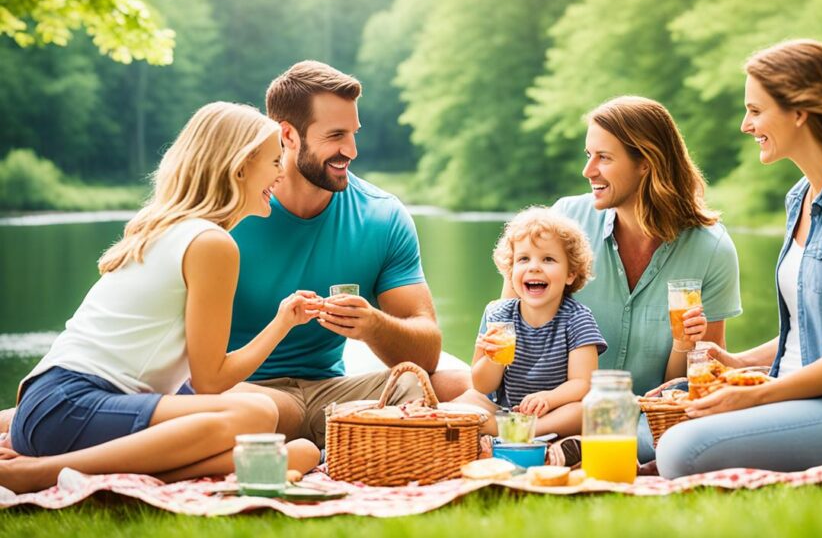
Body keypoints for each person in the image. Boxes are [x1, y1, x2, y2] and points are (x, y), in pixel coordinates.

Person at [0, 102, 322, 494]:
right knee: (256, 411)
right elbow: (210, 381)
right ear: (239, 167)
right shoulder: (210, 243)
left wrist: (284, 320)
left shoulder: (168, 229)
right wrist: (279, 328)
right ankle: (39, 474)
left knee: (298, 451)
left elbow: (187, 383)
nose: (282, 171)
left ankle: (91, 471)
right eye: (274, 160)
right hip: (69, 406)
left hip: (51, 405)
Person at [655, 39, 822, 478]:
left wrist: (756, 396)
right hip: (794, 396)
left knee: (682, 447)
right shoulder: (800, 197)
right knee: (644, 423)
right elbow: (812, 333)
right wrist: (739, 365)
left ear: (800, 111)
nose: (746, 125)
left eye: (755, 110)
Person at [226, 61, 466, 449]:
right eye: (336, 135)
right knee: (249, 410)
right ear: (287, 135)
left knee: (458, 385)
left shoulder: (382, 215)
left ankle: (328, 443)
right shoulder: (232, 210)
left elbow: (428, 351)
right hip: (246, 392)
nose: (351, 151)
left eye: (354, 134)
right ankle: (342, 444)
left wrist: (373, 325)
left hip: (335, 395)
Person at [547, 96, 741, 398]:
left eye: (604, 158)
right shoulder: (564, 221)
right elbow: (509, 322)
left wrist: (686, 344)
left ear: (646, 164)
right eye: (588, 155)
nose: (588, 170)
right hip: (556, 412)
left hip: (654, 422)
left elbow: (698, 380)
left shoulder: (712, 251)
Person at [456, 207, 606, 438]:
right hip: (507, 410)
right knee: (466, 402)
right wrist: (492, 358)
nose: (534, 267)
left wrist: (548, 398)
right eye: (523, 259)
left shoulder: (577, 319)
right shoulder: (498, 314)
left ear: (570, 274)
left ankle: (522, 432)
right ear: (511, 269)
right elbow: (482, 386)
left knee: (585, 410)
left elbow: (582, 383)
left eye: (548, 259)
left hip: (554, 413)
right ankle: (509, 428)